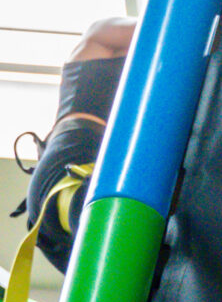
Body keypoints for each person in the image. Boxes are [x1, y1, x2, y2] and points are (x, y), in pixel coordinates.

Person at [12, 15, 136, 274]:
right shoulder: (102, 40)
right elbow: (169, 18)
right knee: (111, 224)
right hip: (64, 179)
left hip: (61, 207)